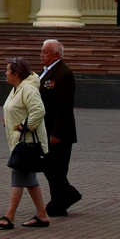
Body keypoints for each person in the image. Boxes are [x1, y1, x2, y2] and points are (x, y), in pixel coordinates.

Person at [0, 57, 49, 229]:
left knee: (18, 174)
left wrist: (25, 126)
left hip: (27, 142)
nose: (5, 73)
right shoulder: (18, 88)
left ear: (16, 74)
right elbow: (16, 108)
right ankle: (42, 215)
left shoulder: (28, 88)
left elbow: (38, 110)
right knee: (29, 178)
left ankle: (9, 216)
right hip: (19, 141)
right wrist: (9, 120)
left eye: (8, 70)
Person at [37, 39, 80, 217]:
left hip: (58, 131)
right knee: (49, 166)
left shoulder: (63, 74)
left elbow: (64, 106)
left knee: (56, 167)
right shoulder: (47, 72)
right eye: (41, 51)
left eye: (45, 52)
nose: (41, 55)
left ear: (56, 55)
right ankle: (66, 196)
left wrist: (56, 133)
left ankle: (60, 201)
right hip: (46, 128)